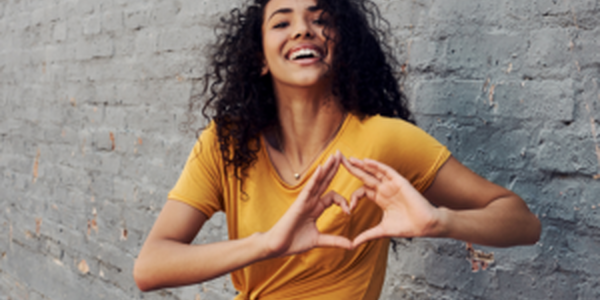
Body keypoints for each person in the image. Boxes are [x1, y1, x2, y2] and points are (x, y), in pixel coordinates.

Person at [133, 0, 541, 299]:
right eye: (282, 22)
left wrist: (440, 221)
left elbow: (523, 222)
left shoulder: (384, 139)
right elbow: (150, 267)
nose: (302, 29)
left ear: (341, 46)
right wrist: (268, 243)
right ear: (259, 57)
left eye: (320, 19)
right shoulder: (226, 144)